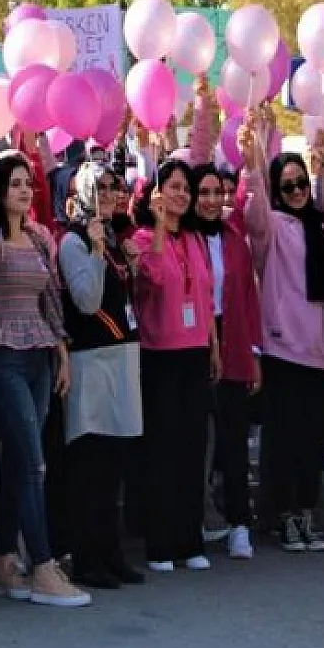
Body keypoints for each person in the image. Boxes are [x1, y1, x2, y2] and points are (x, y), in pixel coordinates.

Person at [0, 152, 90, 607]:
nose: (24, 191)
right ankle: (42, 564)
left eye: (28, 183)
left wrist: (61, 350)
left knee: (20, 460)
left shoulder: (42, 239)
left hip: (39, 355)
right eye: (15, 184)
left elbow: (52, 301)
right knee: (33, 460)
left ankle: (5, 559)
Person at [240, 116, 324, 558]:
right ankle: (283, 515)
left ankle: (307, 513)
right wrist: (254, 159)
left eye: (300, 184)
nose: (296, 192)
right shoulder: (270, 226)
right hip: (284, 350)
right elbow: (253, 212)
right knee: (284, 442)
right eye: (286, 186)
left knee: (312, 443)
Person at [58, 162, 145, 587]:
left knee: (113, 464)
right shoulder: (75, 242)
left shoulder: (114, 240)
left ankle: (111, 552)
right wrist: (94, 250)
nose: (110, 194)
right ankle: (86, 556)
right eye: (101, 187)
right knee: (89, 466)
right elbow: (88, 301)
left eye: (115, 186)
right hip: (91, 363)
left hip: (121, 358)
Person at [130, 160, 217, 573]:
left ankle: (190, 538)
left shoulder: (197, 240)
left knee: (191, 447)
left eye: (186, 188)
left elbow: (206, 296)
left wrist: (213, 346)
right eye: (175, 188)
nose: (182, 195)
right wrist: (160, 222)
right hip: (160, 354)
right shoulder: (144, 239)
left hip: (196, 351)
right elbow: (155, 279)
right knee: (162, 450)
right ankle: (161, 542)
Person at [190, 162, 263, 560]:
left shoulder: (235, 240)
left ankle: (239, 523)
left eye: (217, 193)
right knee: (195, 440)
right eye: (203, 193)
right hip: (191, 343)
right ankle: (194, 520)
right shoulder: (183, 238)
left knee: (234, 441)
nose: (212, 200)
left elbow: (249, 301)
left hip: (232, 341)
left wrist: (254, 352)